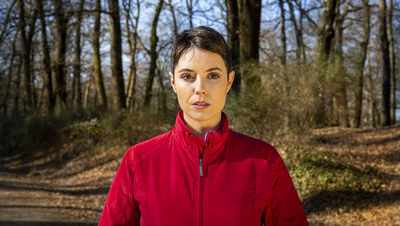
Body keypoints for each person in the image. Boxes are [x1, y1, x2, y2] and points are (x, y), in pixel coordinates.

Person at [99, 26, 308, 225]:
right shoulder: (138, 161)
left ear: (229, 81)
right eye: (188, 76)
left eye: (213, 75)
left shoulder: (264, 161)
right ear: (173, 82)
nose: (200, 88)